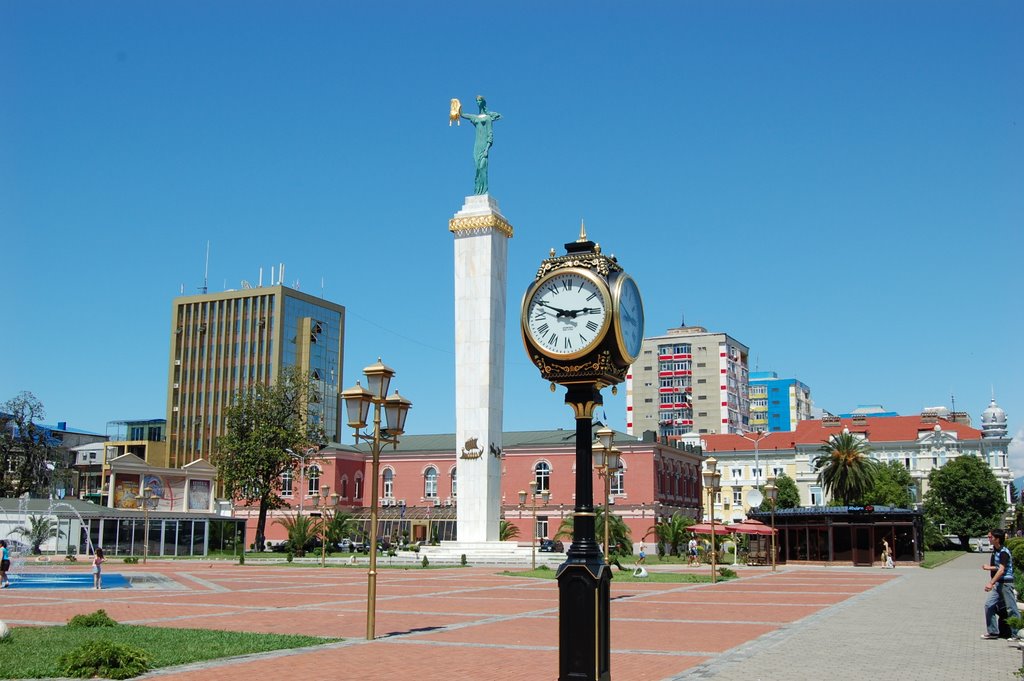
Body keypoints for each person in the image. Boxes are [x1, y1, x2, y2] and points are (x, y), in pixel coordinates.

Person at [982, 529, 1020, 640]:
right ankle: (993, 632)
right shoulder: (996, 550)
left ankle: (1017, 634)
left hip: (1006, 584)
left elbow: (1002, 570)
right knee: (989, 606)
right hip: (999, 584)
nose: (988, 539)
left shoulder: (1004, 552)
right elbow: (999, 566)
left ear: (997, 539)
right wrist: (989, 568)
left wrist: (990, 583)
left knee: (1011, 608)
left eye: (990, 537)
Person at [460, 96, 502, 195]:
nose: (478, 102)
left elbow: (490, 135)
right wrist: (457, 106)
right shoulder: (475, 117)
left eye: (479, 101)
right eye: (477, 101)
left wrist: (487, 148)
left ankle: (484, 190)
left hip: (484, 146)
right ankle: (477, 191)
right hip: (477, 146)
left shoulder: (488, 119)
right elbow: (462, 115)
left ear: (483, 102)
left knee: (482, 167)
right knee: (477, 168)